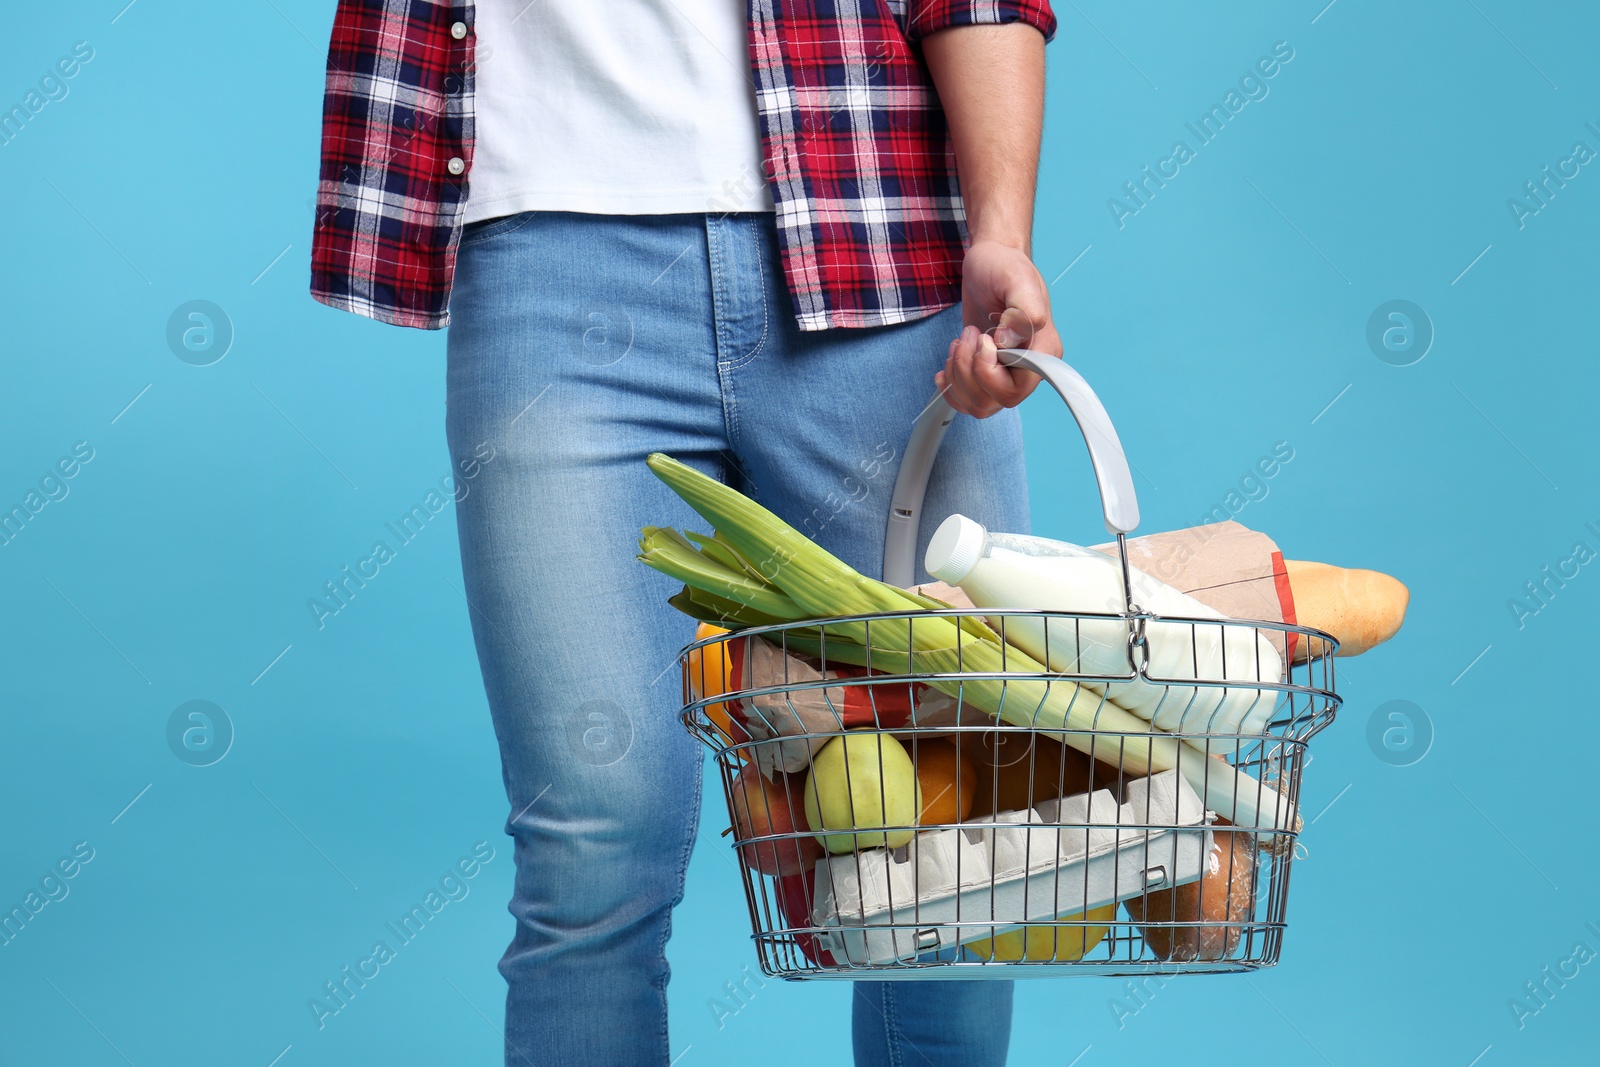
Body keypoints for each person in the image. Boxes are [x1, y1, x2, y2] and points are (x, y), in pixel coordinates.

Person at [310, 2, 1062, 1064]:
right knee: (593, 846)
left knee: (955, 834)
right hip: (550, 261)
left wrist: (999, 233)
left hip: (877, 233)